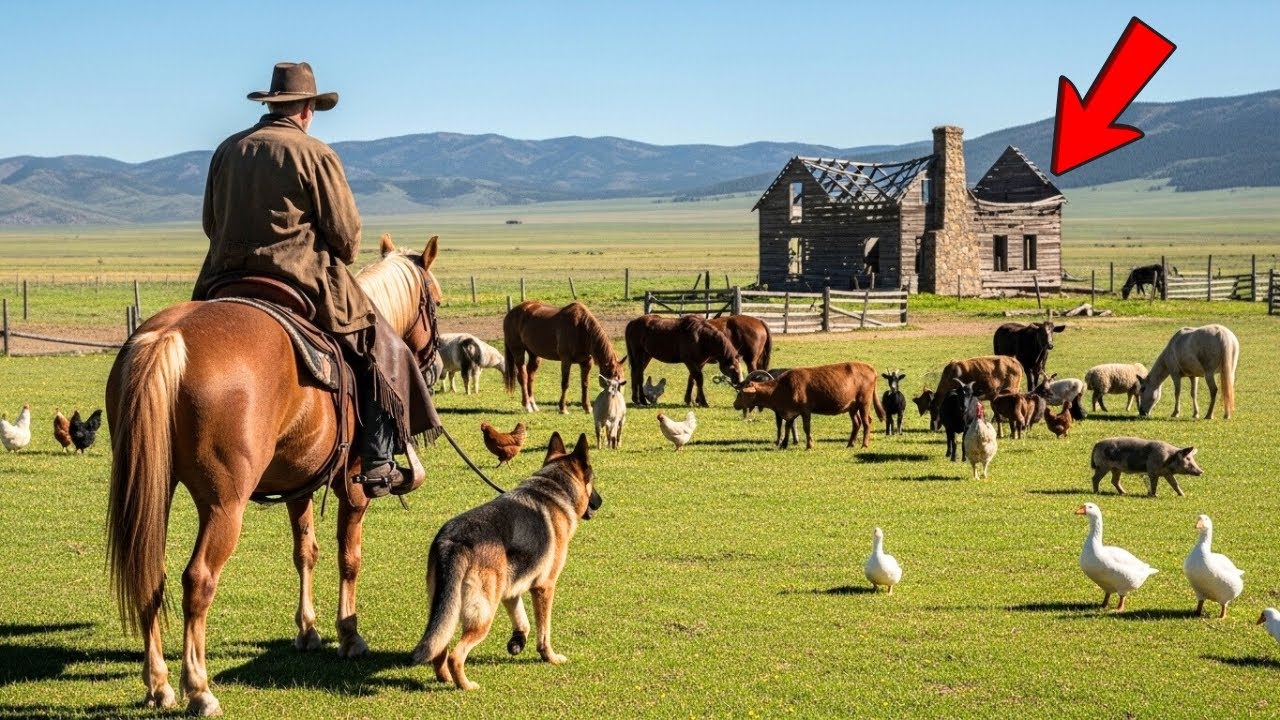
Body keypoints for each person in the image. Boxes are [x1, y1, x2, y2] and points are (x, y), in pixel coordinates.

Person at [194, 61, 434, 496]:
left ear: (272, 103)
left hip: (223, 281)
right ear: (306, 108)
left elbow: (211, 224)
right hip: (301, 284)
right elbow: (345, 240)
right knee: (383, 346)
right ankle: (379, 461)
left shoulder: (227, 150)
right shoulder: (316, 153)